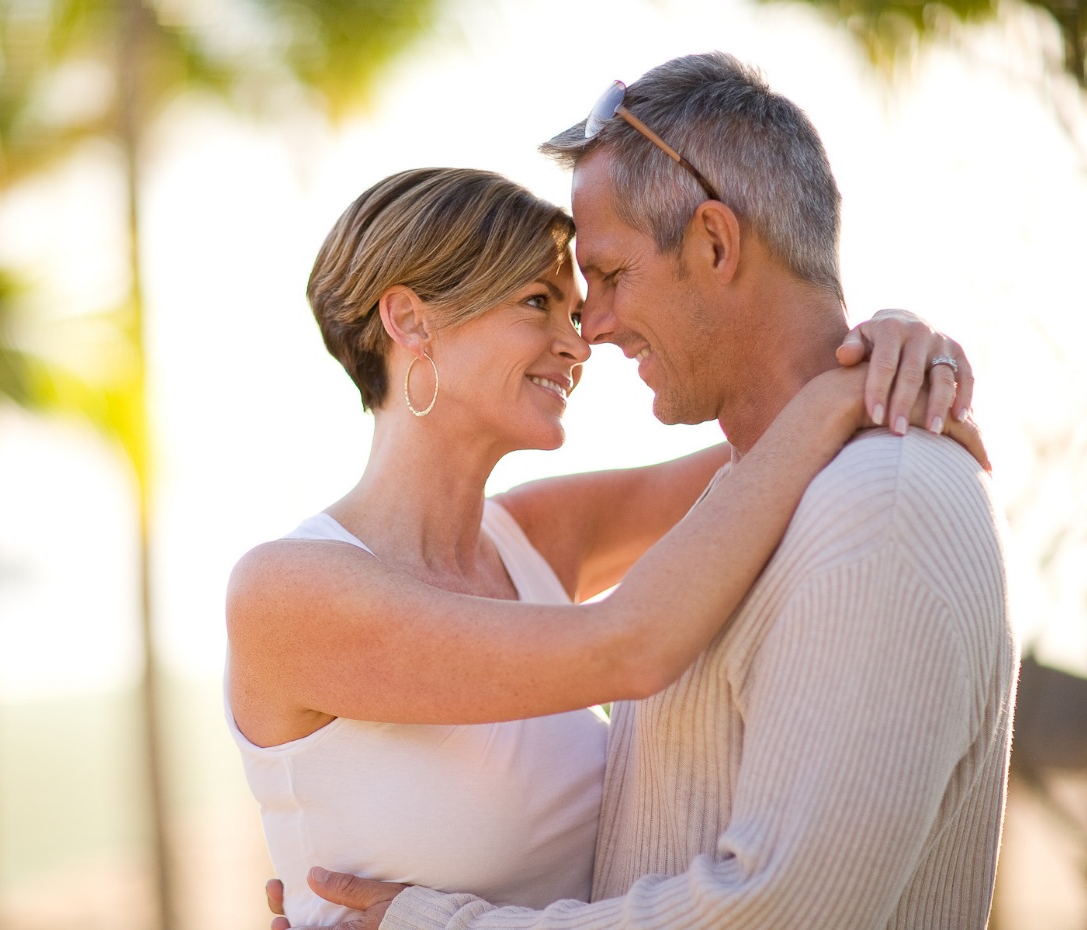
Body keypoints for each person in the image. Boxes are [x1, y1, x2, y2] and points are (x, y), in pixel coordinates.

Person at [281, 53, 1016, 930]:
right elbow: (633, 639)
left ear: (713, 242)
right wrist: (848, 378)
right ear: (409, 321)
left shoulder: (870, 509)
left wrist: (886, 351)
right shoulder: (291, 589)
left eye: (605, 279)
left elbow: (786, 909)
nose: (587, 332)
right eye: (539, 300)